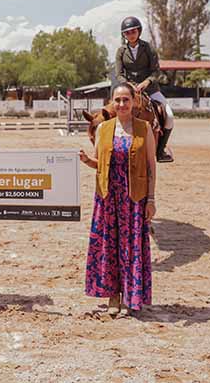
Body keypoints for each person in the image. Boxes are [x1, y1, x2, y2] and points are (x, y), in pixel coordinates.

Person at [79, 83, 157, 316]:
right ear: (112, 103)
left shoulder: (144, 128)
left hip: (134, 198)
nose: (122, 104)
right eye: (118, 100)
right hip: (108, 198)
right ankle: (113, 295)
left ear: (133, 101)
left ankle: (131, 296)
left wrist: (151, 199)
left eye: (126, 100)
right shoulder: (103, 129)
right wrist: (87, 160)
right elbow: (100, 163)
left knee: (131, 247)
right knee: (109, 247)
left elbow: (151, 165)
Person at [116, 16, 175, 162]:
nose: (131, 34)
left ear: (139, 31)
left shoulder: (148, 48)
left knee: (169, 116)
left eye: (133, 31)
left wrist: (146, 82)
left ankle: (160, 151)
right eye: (127, 32)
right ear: (124, 35)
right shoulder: (121, 51)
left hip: (150, 89)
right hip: (130, 90)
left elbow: (156, 71)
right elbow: (119, 74)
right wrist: (129, 85)